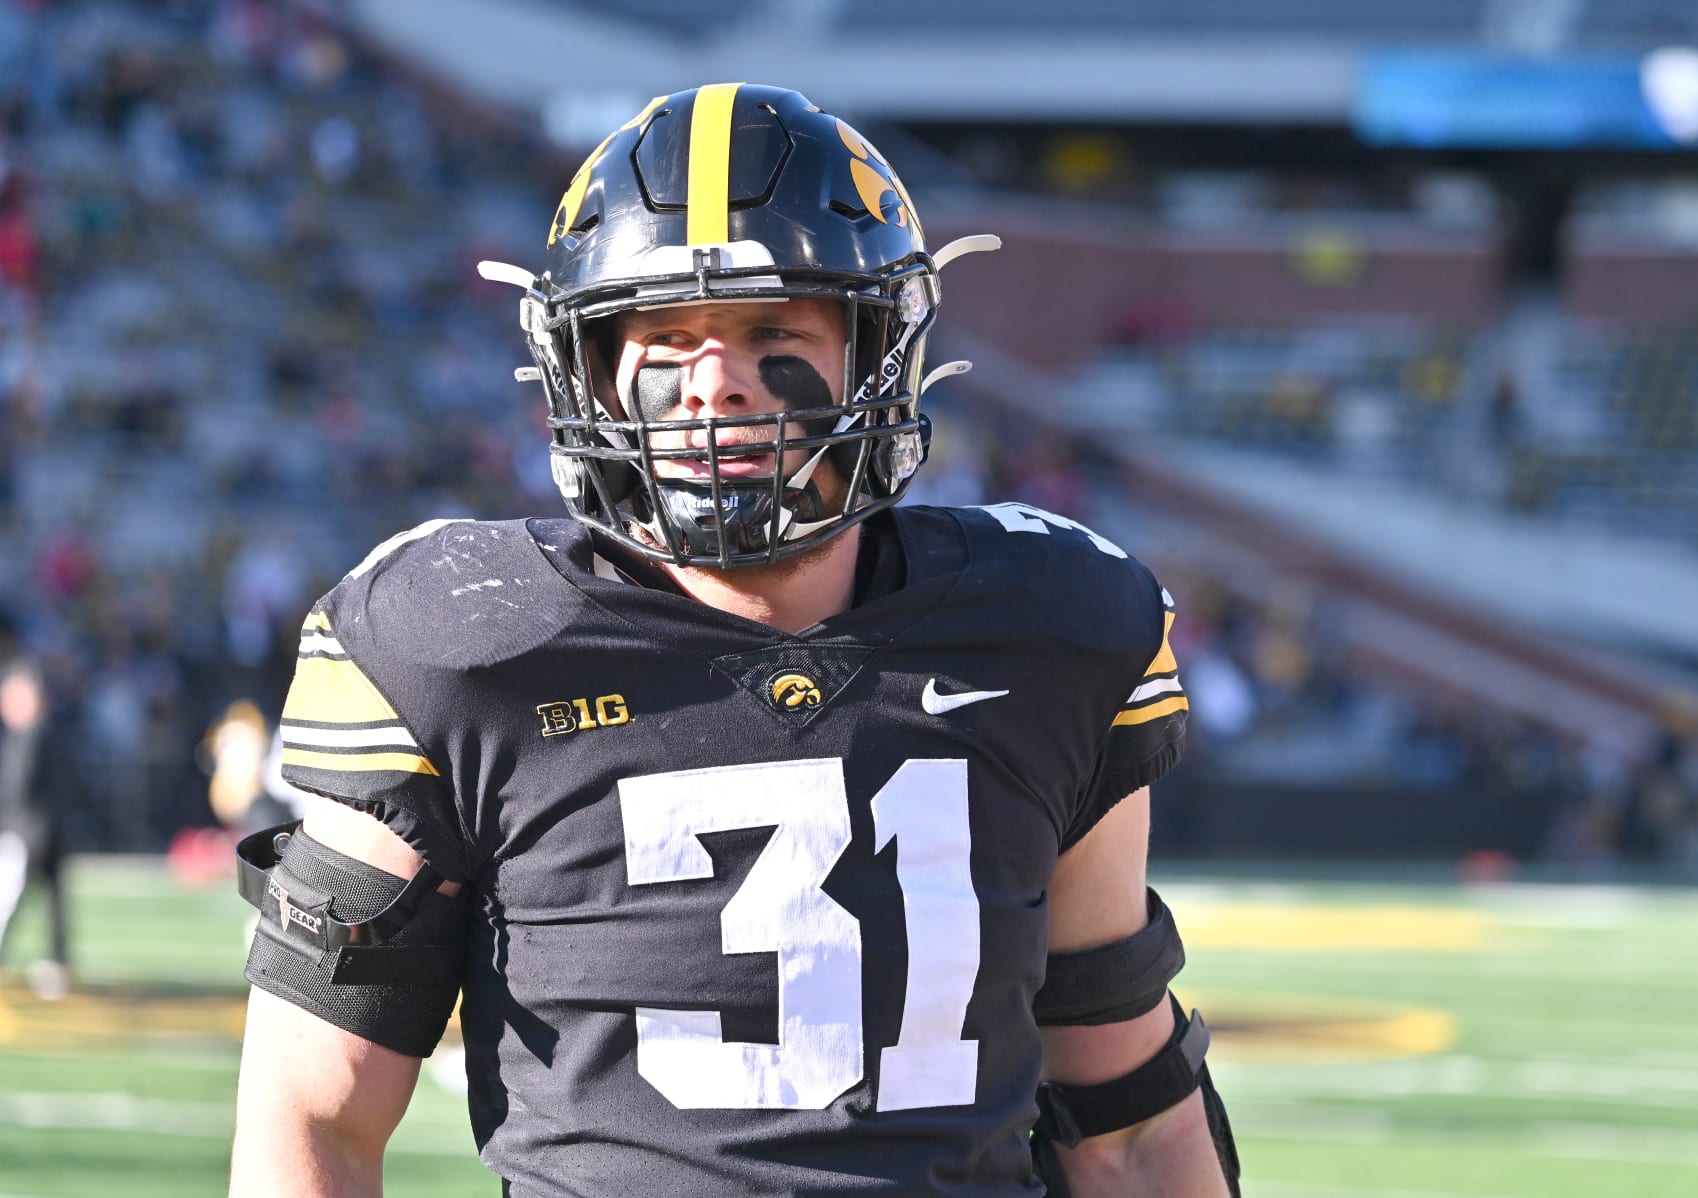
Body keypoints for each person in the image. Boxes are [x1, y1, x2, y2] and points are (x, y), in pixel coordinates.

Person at [229, 84, 1239, 1198]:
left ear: (874, 351)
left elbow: (1128, 1123)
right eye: (665, 337)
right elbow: (314, 1119)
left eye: (774, 329)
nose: (715, 384)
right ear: (589, 367)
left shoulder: (1053, 631)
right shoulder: (458, 647)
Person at [0, 610, 68, 1000]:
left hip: (28, 830)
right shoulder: (40, 732)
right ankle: (57, 964)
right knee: (45, 900)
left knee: (13, 897)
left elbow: (17, 788)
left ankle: (55, 964)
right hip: (40, 828)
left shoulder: (32, 735)